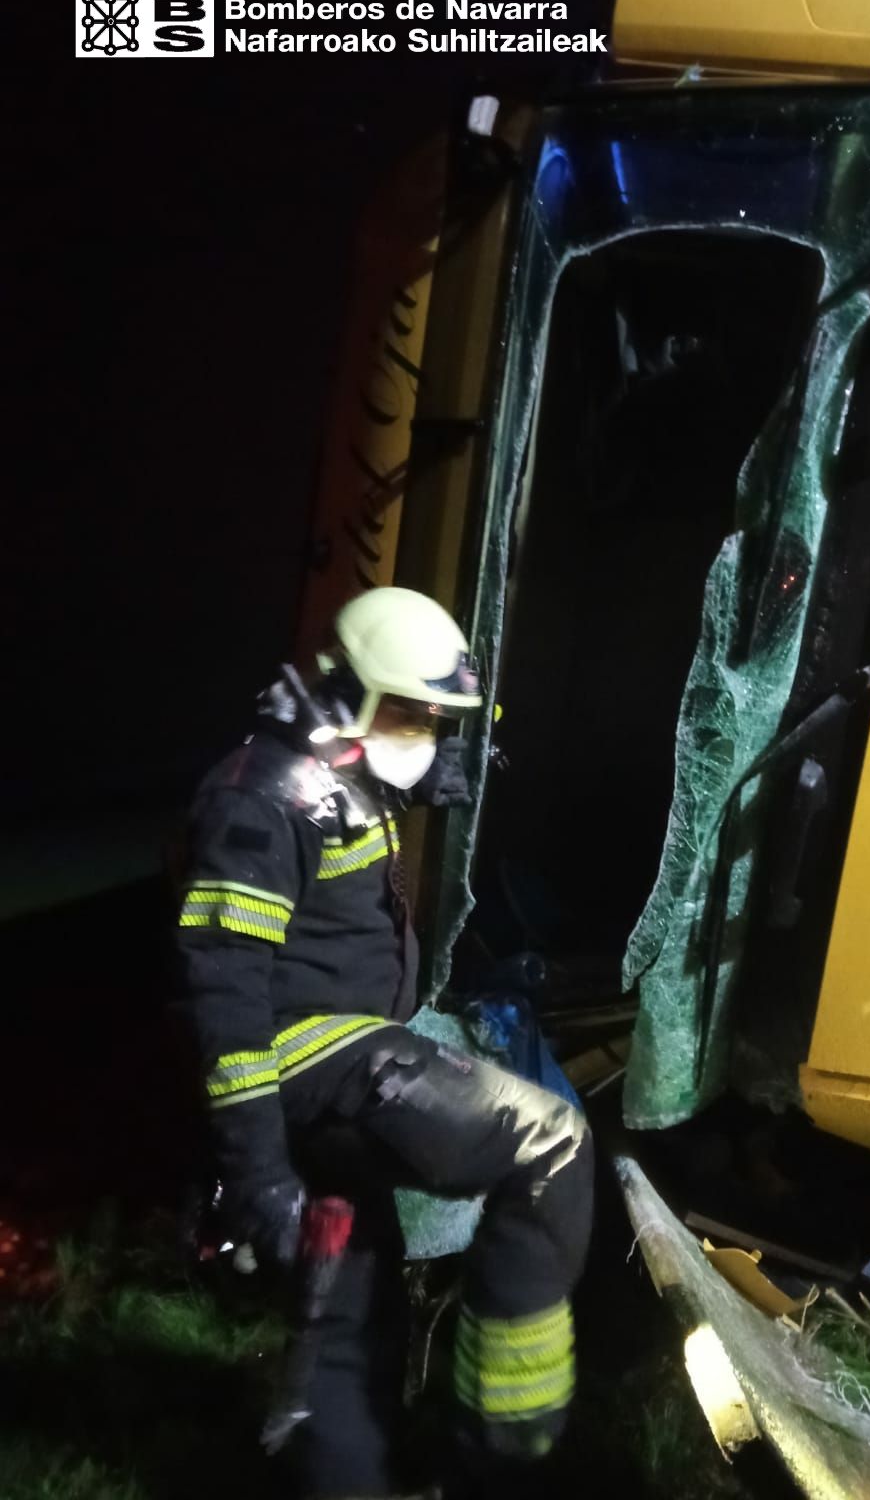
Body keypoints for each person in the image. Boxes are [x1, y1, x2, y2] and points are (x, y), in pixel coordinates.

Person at [173, 586, 594, 1499]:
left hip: (334, 1066)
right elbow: (224, 998)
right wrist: (256, 1177)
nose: (424, 737)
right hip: (311, 1060)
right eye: (410, 715)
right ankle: (503, 1443)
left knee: (348, 1309)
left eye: (436, 720)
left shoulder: (340, 777)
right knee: (549, 1143)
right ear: (346, 694)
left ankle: (361, 1480)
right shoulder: (259, 800)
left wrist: (418, 762)